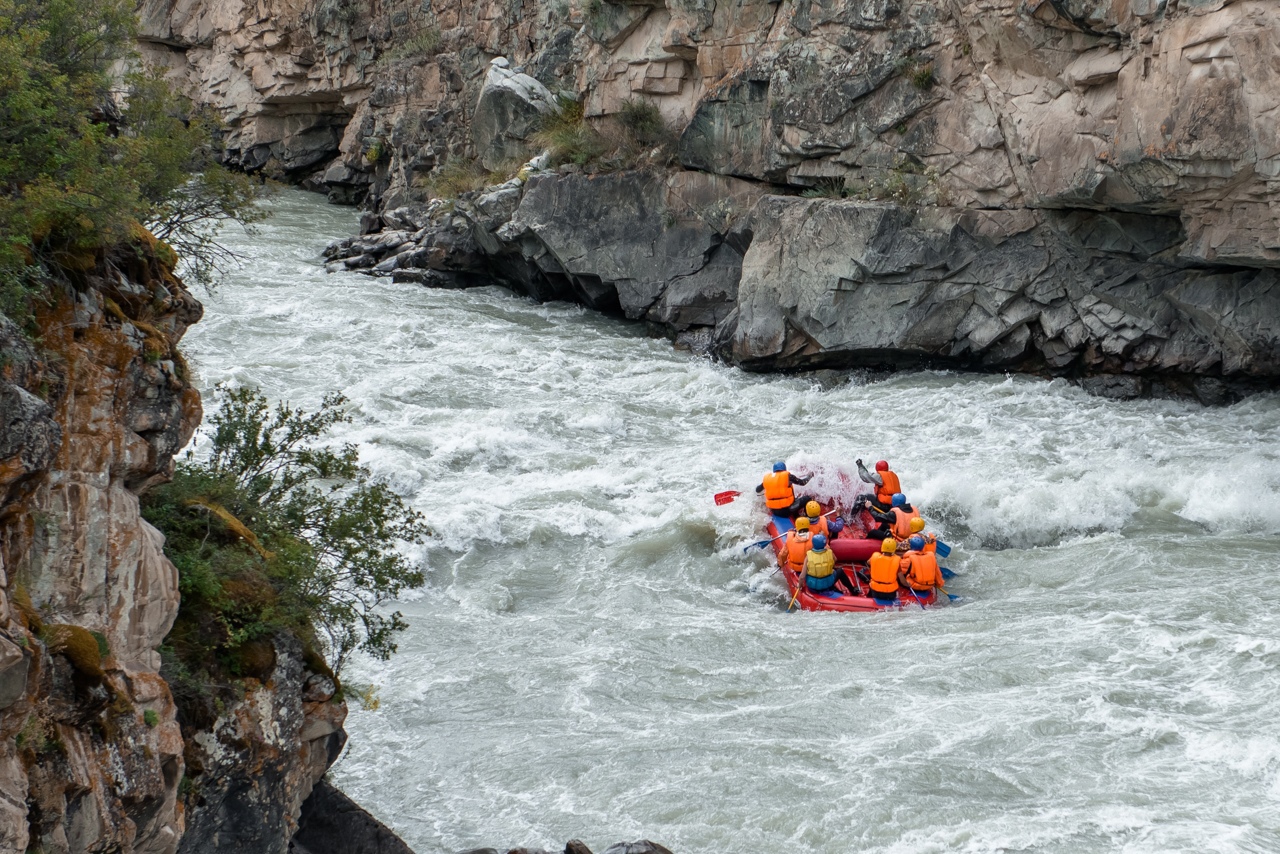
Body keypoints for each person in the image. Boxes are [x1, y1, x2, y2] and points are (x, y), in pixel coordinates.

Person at [900, 535, 944, 599]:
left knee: (900, 574)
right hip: (929, 585)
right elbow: (937, 573)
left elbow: (900, 573)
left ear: (911, 546)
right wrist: (940, 584)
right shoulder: (931, 557)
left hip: (915, 586)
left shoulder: (908, 560)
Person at [867, 538, 901, 605]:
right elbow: (902, 580)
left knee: (871, 583)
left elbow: (868, 562)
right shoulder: (897, 560)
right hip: (890, 593)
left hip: (876, 592)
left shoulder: (875, 556)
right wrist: (908, 585)